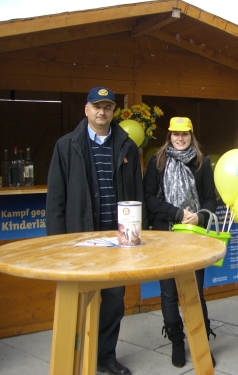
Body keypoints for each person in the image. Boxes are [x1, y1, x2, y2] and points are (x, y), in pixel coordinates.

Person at [46, 86, 145, 375]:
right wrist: (57, 244)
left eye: (108, 107)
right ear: (86, 110)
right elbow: (56, 199)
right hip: (81, 238)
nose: (102, 112)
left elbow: (136, 192)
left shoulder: (127, 146)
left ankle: (105, 357)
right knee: (78, 300)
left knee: (114, 300)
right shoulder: (66, 145)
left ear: (114, 112)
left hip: (118, 240)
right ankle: (76, 354)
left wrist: (141, 233)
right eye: (96, 106)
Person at [143, 117, 217, 368]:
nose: (180, 138)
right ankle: (177, 341)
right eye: (176, 134)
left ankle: (202, 342)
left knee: (196, 292)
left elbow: (210, 199)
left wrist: (199, 215)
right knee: (169, 293)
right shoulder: (157, 162)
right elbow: (149, 199)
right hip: (166, 236)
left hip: (194, 237)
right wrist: (175, 213)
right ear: (169, 136)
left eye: (184, 134)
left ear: (191, 135)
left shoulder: (202, 163)